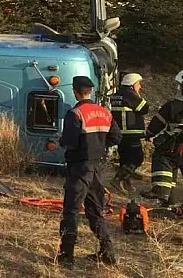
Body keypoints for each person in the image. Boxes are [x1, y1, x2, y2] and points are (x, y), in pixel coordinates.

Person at [57, 76, 121, 268]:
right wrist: (100, 146)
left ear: (75, 91)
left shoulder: (75, 113)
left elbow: (69, 142)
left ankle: (67, 256)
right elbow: (116, 137)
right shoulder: (105, 113)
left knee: (71, 210)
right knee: (95, 210)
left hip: (79, 168)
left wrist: (61, 139)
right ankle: (108, 252)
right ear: (91, 91)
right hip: (97, 168)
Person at [140, 70, 183, 206]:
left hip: (177, 144)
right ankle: (170, 203)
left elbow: (157, 122)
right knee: (173, 165)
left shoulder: (172, 106)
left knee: (162, 157)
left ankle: (161, 191)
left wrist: (149, 134)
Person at [109, 73, 149, 193]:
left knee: (125, 160)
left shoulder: (116, 95)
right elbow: (145, 108)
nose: (140, 86)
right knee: (137, 158)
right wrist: (137, 94)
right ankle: (117, 179)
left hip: (120, 133)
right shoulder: (130, 95)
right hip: (131, 133)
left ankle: (126, 184)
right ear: (132, 84)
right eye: (138, 84)